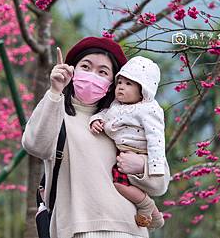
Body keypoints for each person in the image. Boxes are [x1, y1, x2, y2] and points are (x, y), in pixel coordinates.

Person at [22, 37, 170, 238]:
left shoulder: (125, 120)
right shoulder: (56, 111)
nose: (92, 76)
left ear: (112, 83)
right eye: (85, 66)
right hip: (77, 228)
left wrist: (141, 166)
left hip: (129, 229)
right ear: (72, 71)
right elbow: (35, 145)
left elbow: (160, 185)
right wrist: (55, 90)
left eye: (103, 72)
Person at [89, 56, 166, 229]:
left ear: (143, 90)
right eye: (120, 83)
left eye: (128, 84)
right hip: (123, 152)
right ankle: (154, 215)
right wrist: (95, 120)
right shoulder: (116, 105)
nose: (121, 87)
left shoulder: (149, 109)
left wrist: (155, 167)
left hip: (140, 153)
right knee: (119, 182)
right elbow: (105, 114)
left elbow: (156, 139)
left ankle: (145, 204)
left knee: (119, 184)